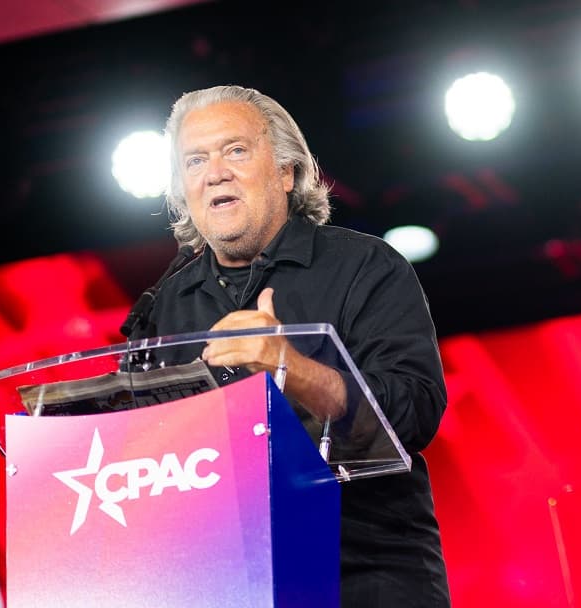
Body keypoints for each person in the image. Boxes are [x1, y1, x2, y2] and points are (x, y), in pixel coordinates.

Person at [146, 84, 450, 607]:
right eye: (195, 159)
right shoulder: (164, 306)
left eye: (236, 150)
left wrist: (290, 366)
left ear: (288, 173)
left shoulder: (365, 267)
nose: (215, 171)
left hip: (361, 573)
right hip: (223, 581)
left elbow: (413, 413)